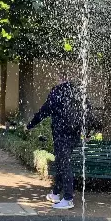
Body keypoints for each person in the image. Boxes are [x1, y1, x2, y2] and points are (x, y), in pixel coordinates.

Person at [27, 78, 86, 210]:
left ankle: (68, 199)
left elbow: (43, 112)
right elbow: (87, 112)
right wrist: (86, 131)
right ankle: (55, 193)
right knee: (61, 163)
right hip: (74, 136)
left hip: (61, 136)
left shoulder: (56, 94)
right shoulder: (77, 94)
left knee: (64, 166)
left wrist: (30, 125)